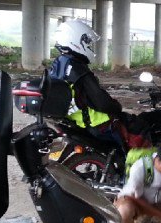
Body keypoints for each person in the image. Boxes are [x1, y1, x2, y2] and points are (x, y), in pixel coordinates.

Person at [48, 19, 124, 147]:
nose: (89, 46)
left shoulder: (59, 63)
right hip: (96, 125)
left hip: (74, 122)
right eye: (87, 42)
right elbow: (102, 103)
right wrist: (117, 108)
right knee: (135, 134)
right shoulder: (78, 69)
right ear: (75, 40)